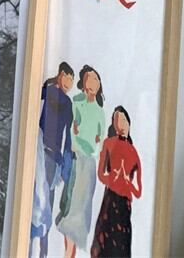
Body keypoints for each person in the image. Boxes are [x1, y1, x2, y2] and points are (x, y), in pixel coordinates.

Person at [56, 65, 106, 257]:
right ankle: (68, 251)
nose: (92, 83)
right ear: (83, 82)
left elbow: (98, 142)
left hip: (89, 164)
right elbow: (73, 134)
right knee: (69, 209)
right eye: (89, 78)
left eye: (95, 79)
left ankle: (70, 252)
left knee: (80, 212)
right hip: (76, 158)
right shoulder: (76, 103)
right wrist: (82, 143)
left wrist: (88, 144)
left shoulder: (99, 112)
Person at [31, 61, 75, 258]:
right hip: (38, 150)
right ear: (60, 74)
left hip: (53, 158)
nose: (69, 83)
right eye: (68, 77)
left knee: (46, 203)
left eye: (72, 80)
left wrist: (64, 167)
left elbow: (68, 137)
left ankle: (43, 252)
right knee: (35, 199)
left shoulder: (68, 103)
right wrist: (49, 82)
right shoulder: (48, 91)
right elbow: (35, 95)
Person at [90, 106, 142, 258]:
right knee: (104, 244)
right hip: (111, 199)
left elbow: (138, 191)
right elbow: (101, 174)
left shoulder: (134, 152)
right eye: (116, 120)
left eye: (123, 120)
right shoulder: (109, 143)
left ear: (129, 123)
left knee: (121, 246)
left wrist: (127, 182)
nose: (120, 124)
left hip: (125, 205)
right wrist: (113, 179)